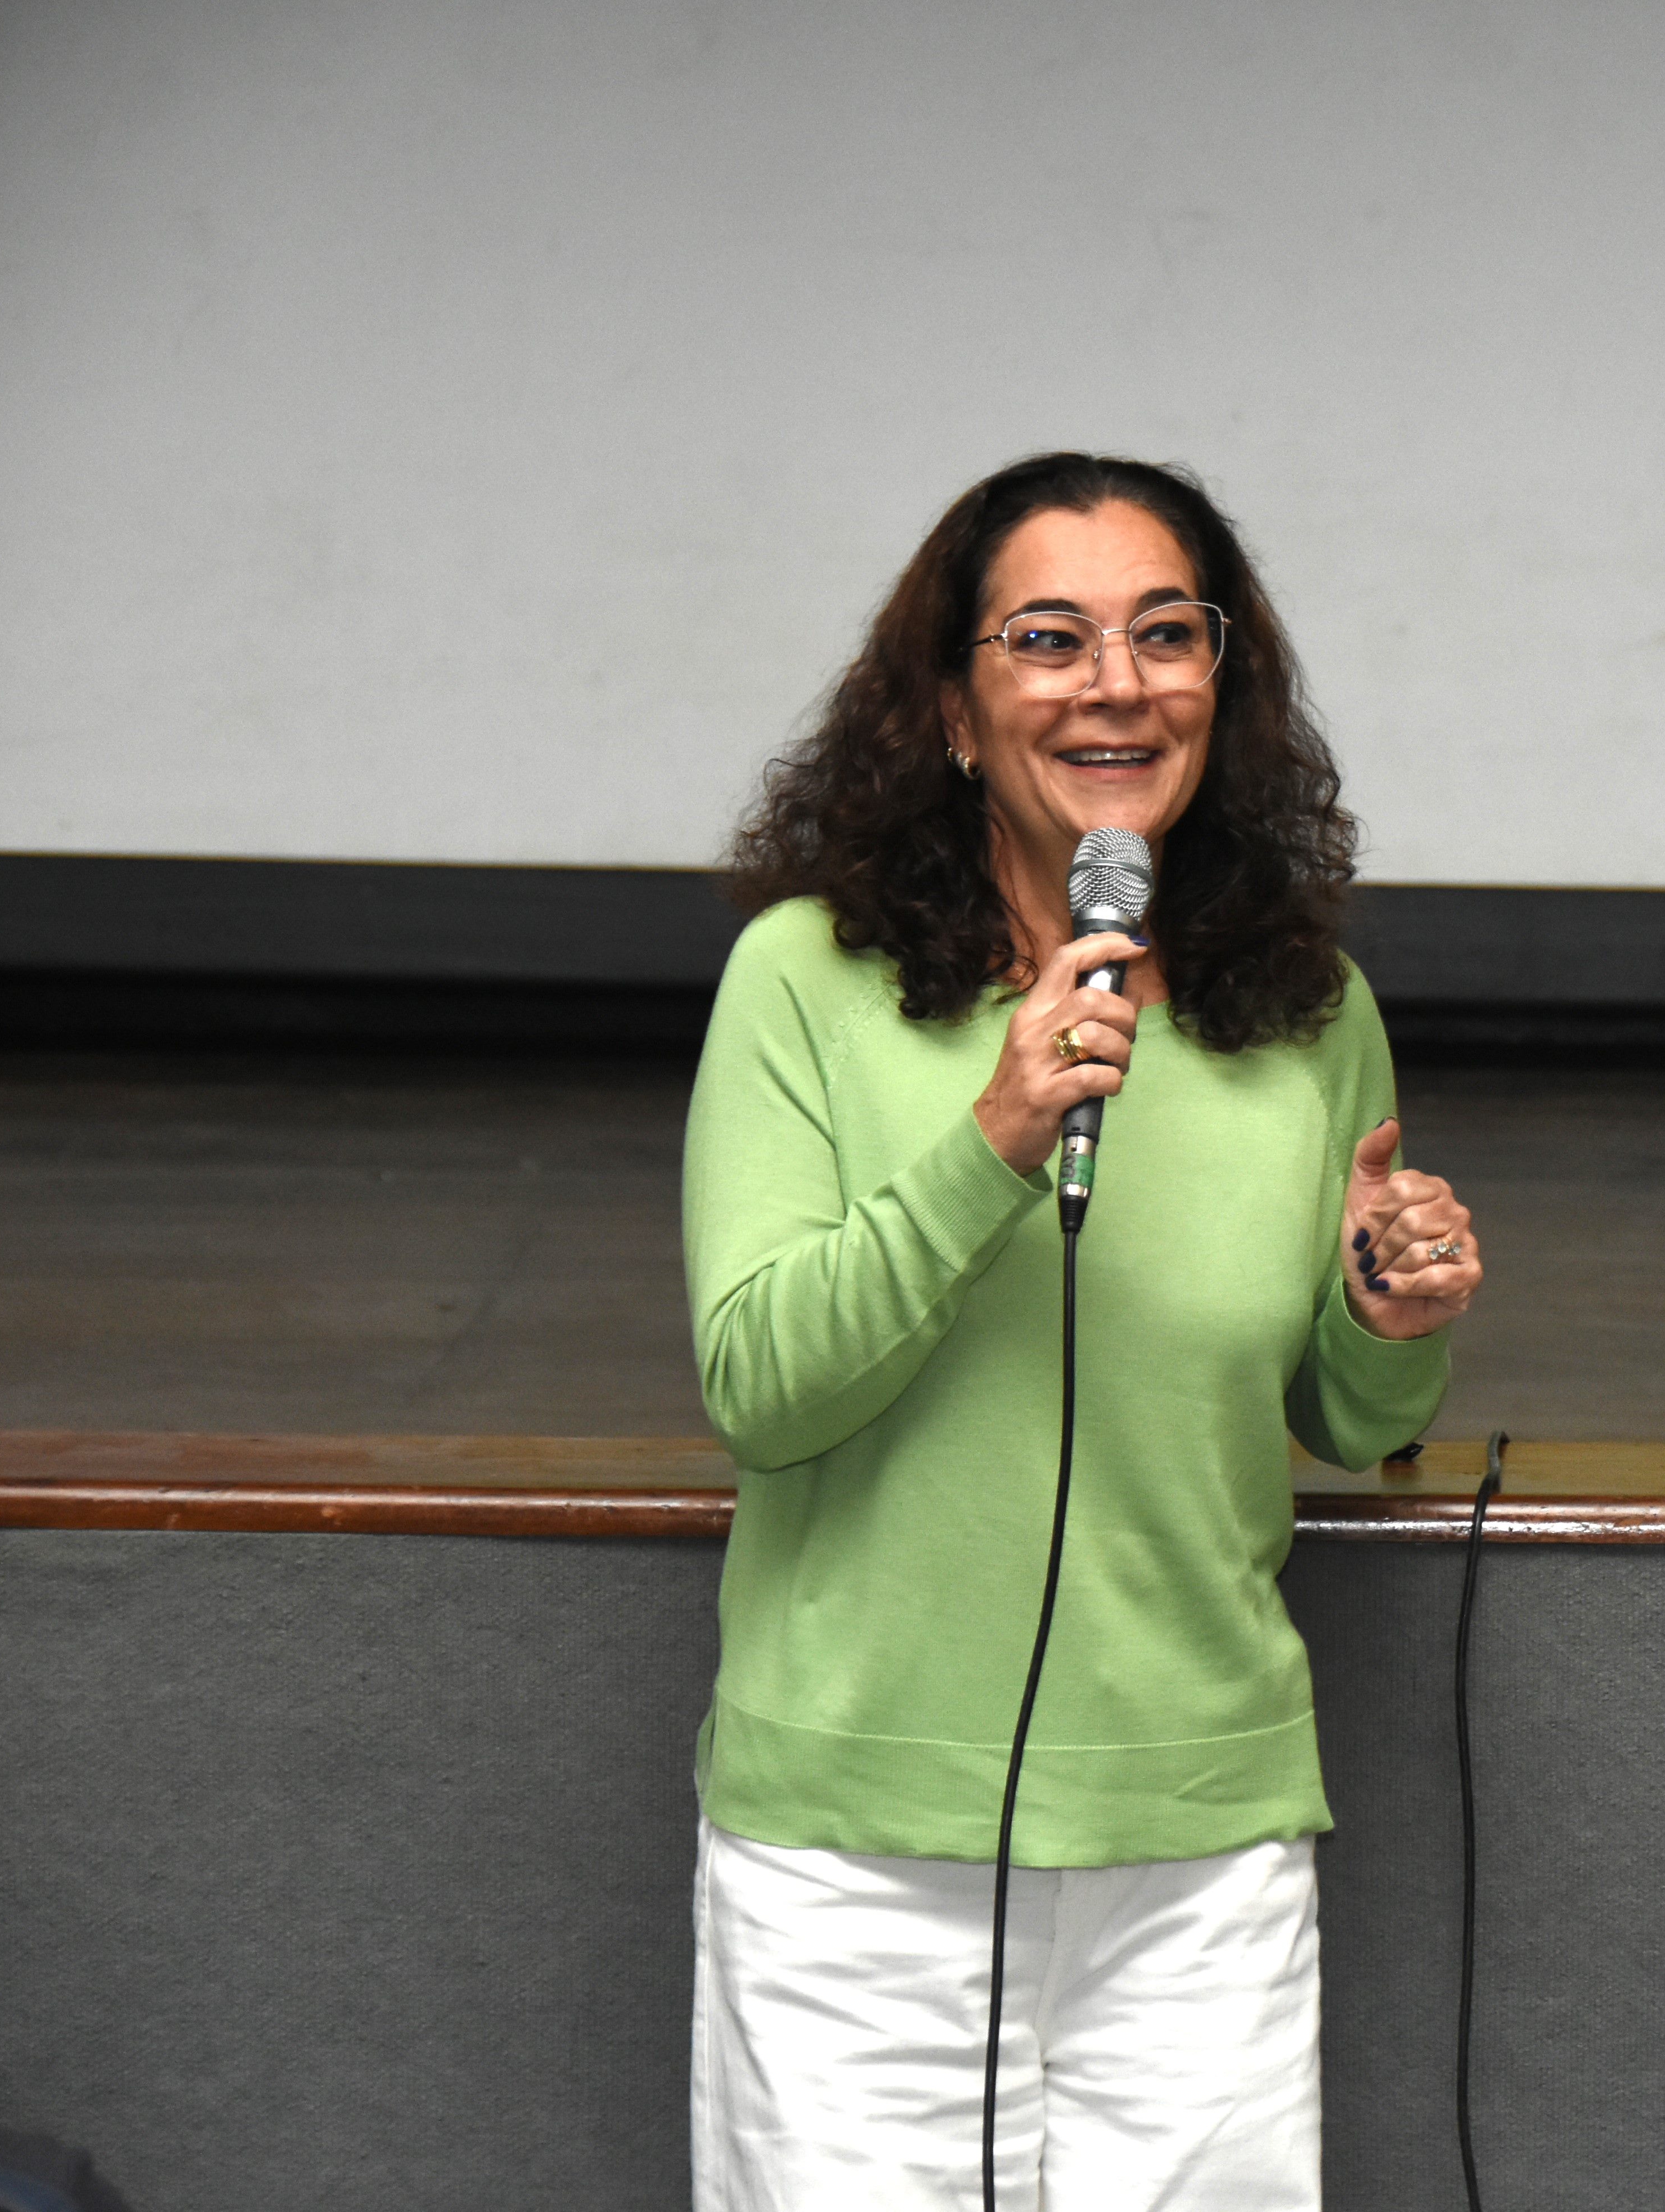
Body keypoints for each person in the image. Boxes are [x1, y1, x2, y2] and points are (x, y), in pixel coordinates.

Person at [683, 451, 1483, 2211]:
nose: (1115, 682)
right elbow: (762, 1390)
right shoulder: (806, 979)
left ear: (1221, 686)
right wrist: (994, 1139)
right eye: (1049, 638)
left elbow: (1348, 1418)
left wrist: (1390, 1310)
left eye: (1165, 634)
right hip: (856, 1865)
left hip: (1199, 1850)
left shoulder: (1309, 1007)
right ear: (954, 710)